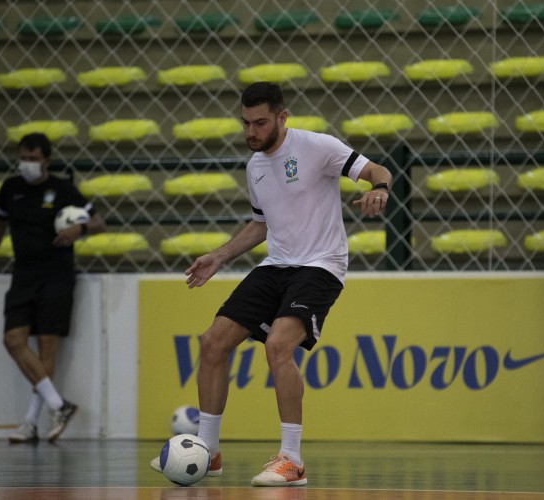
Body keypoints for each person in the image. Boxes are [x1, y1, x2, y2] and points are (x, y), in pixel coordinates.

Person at [151, 81, 392, 486]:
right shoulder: (255, 166)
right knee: (213, 342)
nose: (251, 132)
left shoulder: (318, 147)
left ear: (282, 117)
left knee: (280, 345)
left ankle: (292, 460)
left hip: (321, 264)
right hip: (277, 263)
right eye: (245, 123)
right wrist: (219, 256)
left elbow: (376, 170)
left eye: (260, 123)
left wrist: (379, 189)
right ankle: (208, 452)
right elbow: (262, 225)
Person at [0, 132, 105, 444]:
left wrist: (77, 230)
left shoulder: (63, 189)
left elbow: (98, 222)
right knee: (13, 340)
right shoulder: (11, 189)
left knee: (46, 344)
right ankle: (59, 405)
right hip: (23, 274)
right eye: (23, 159)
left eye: (33, 159)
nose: (27, 164)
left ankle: (30, 422)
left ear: (46, 160)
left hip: (56, 274)